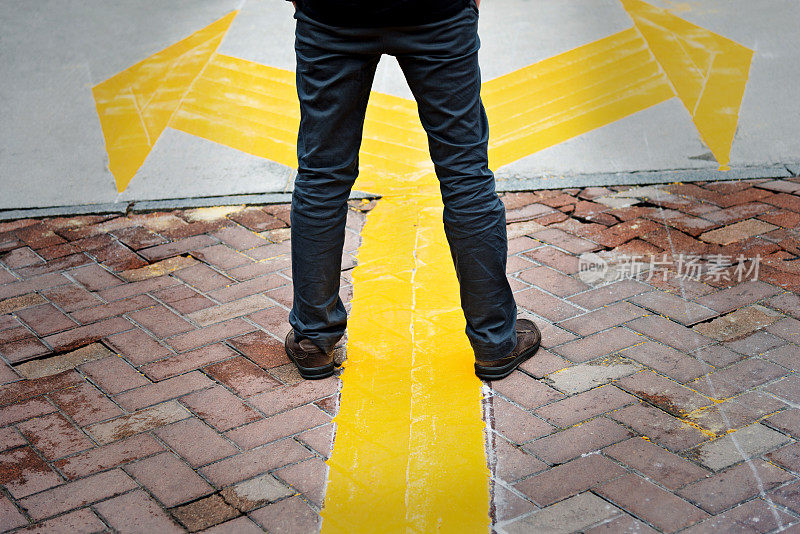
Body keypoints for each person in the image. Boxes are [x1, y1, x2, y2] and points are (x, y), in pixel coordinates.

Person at [283, 0, 541, 381]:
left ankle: (314, 340)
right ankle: (494, 341)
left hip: (331, 14)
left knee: (322, 176)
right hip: (437, 11)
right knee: (465, 175)